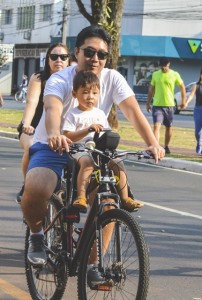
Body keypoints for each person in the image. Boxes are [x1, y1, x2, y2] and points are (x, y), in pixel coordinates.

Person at [21, 25, 164, 280]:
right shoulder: (60, 79)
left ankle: (92, 265)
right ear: (76, 52)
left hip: (94, 149)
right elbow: (52, 108)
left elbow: (133, 111)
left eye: (102, 54)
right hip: (54, 143)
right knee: (35, 189)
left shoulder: (113, 78)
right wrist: (54, 133)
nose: (95, 58)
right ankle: (36, 235)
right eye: (89, 51)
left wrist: (153, 142)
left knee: (109, 201)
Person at [16, 43, 71, 203]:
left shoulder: (74, 78)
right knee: (31, 146)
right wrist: (26, 124)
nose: (58, 60)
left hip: (61, 129)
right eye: (54, 57)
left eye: (63, 57)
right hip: (33, 128)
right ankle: (28, 185)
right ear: (47, 60)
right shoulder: (39, 78)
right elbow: (31, 103)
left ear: (69, 60)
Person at [63, 70, 108, 209]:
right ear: (75, 94)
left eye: (94, 93)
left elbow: (106, 132)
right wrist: (88, 129)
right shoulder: (73, 114)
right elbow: (67, 136)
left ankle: (126, 197)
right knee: (88, 162)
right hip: (79, 150)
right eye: (85, 92)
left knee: (117, 162)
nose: (90, 97)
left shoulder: (100, 113)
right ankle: (81, 196)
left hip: (97, 150)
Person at [146, 57, 186, 154]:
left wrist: (183, 100)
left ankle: (166, 146)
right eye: (162, 66)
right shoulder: (155, 75)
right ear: (160, 66)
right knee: (156, 126)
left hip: (170, 105)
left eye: (166, 66)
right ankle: (156, 147)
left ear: (169, 65)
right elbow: (151, 90)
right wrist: (148, 103)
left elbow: (182, 87)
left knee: (169, 127)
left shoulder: (174, 74)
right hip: (157, 105)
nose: (164, 68)